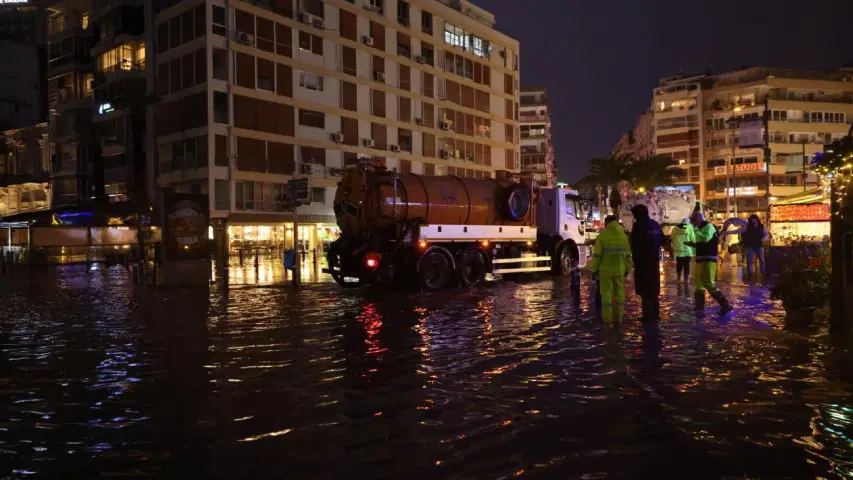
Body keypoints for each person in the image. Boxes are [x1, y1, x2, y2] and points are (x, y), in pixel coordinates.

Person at [587, 215, 632, 325]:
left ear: (607, 223)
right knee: (620, 295)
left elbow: (597, 255)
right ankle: (619, 319)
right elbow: (628, 255)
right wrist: (627, 269)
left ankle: (607, 321)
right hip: (620, 271)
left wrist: (594, 270)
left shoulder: (602, 235)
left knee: (606, 296)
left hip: (605, 272)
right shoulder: (624, 236)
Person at [688, 212, 733, 315]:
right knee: (699, 283)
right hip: (700, 258)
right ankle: (699, 307)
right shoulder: (700, 228)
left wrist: (695, 230)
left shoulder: (709, 226)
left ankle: (725, 305)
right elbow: (703, 242)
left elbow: (705, 238)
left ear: (698, 219)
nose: (693, 223)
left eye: (693, 221)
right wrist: (693, 245)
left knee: (709, 282)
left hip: (709, 258)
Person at [630, 204, 663, 321]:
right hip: (654, 262)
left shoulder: (638, 226)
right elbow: (661, 241)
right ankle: (655, 315)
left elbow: (635, 245)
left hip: (643, 263)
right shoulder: (655, 225)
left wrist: (635, 260)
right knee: (653, 291)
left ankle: (647, 317)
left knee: (645, 292)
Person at [741, 214, 768, 278]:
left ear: (757, 220)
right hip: (750, 245)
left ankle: (763, 272)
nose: (753, 222)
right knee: (749, 260)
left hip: (759, 245)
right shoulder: (748, 227)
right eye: (752, 220)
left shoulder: (762, 226)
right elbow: (743, 235)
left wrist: (762, 240)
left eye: (754, 220)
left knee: (761, 260)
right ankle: (750, 273)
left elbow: (766, 234)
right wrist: (745, 242)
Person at [670, 216, 695, 283]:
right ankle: (686, 279)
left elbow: (672, 238)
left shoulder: (675, 228)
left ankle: (678, 278)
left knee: (679, 265)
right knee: (687, 265)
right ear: (688, 222)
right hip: (688, 251)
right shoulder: (690, 227)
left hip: (678, 251)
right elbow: (693, 238)